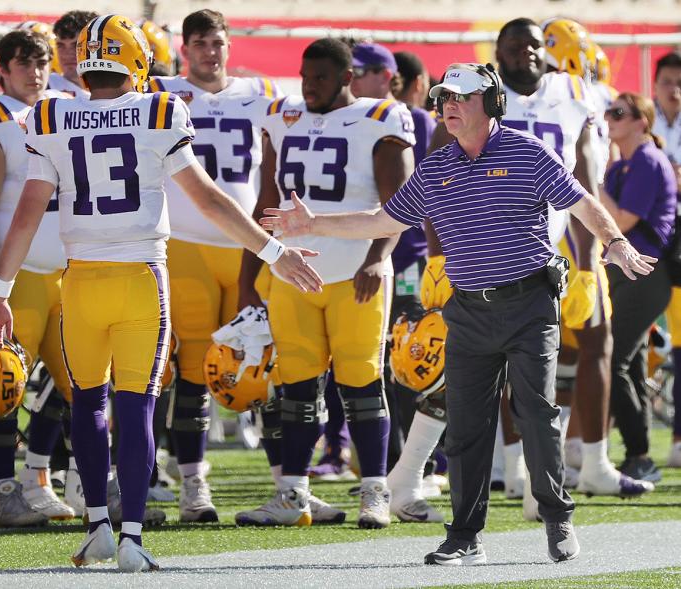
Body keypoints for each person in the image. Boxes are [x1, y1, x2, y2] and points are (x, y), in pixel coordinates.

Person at [259, 62, 655, 564]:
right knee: (466, 426)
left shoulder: (527, 152)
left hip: (530, 303)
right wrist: (313, 222)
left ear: (490, 106)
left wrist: (615, 244)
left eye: (462, 98)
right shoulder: (436, 167)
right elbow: (382, 220)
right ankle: (466, 535)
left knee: (535, 415)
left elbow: (581, 203)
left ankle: (557, 517)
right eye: (445, 96)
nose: (449, 105)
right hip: (466, 308)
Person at [0, 14, 320, 572]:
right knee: (135, 404)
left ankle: (97, 528)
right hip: (141, 278)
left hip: (81, 280)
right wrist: (274, 253)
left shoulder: (50, 115)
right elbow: (209, 200)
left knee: (87, 403)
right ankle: (132, 536)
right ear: (135, 60)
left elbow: (24, 216)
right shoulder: (158, 110)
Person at [236, 37, 415, 529]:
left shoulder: (381, 119)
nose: (309, 86)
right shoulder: (281, 116)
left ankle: (375, 491)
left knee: (360, 381)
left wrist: (379, 258)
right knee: (295, 386)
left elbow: (400, 202)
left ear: (345, 77)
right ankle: (293, 493)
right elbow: (265, 201)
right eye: (305, 76)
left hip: (354, 270)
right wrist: (249, 274)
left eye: (320, 77)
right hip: (292, 271)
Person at [496, 17, 652, 501]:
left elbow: (585, 173)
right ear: (499, 52)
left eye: (535, 44)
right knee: (507, 352)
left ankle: (594, 461)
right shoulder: (482, 89)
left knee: (597, 340)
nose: (527, 52)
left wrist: (589, 258)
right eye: (515, 45)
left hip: (562, 227)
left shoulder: (574, 92)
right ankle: (514, 464)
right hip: (501, 233)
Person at [147, 9, 282, 523]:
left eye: (218, 42)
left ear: (230, 45)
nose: (211, 51)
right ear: (185, 47)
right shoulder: (162, 91)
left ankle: (285, 485)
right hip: (186, 244)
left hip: (246, 245)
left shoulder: (260, 90)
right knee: (192, 371)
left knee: (265, 362)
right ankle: (193, 487)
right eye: (201, 42)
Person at [0, 29, 77, 527]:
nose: (35, 70)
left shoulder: (66, 106)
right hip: (13, 272)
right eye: (23, 62)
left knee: (79, 381)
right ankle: (2, 489)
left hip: (65, 270)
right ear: (2, 67)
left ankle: (39, 476)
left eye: (41, 61)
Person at [349, 42, 444, 524]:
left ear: (389, 78)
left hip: (405, 257)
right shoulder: (345, 120)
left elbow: (426, 194)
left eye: (361, 71)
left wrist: (434, 256)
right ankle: (381, 463)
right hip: (360, 254)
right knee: (374, 363)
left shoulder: (415, 121)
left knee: (412, 360)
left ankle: (416, 464)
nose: (353, 80)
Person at [600, 93, 676, 482]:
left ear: (642, 122)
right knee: (624, 364)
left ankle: (639, 454)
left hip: (646, 275)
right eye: (608, 111)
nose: (608, 118)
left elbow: (623, 222)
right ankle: (638, 453)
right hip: (630, 274)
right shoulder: (625, 164)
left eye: (618, 113)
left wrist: (588, 187)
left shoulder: (646, 160)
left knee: (613, 360)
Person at [652, 51, 681, 467]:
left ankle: (677, 439)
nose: (674, 91)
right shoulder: (638, 122)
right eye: (667, 82)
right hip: (646, 240)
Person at [49, 10, 97, 98]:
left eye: (76, 46)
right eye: (61, 45)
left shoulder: (120, 92)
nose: (67, 54)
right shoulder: (45, 89)